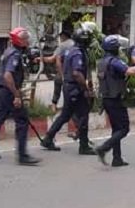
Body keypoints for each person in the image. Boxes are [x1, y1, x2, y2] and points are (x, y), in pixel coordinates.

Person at [0, 27, 40, 165]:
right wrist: (17, 96)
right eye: (25, 38)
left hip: (2, 90)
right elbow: (8, 76)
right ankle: (22, 156)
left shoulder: (9, 51)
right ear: (19, 40)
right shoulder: (14, 55)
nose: (27, 41)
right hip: (8, 91)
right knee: (22, 120)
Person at [40, 25, 96, 155]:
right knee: (83, 115)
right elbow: (77, 73)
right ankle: (83, 146)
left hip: (69, 87)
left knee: (65, 115)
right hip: (75, 88)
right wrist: (85, 88)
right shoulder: (77, 53)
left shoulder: (73, 50)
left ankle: (48, 138)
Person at [96, 35, 135, 167]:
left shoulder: (102, 62)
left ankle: (116, 158)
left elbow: (118, 73)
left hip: (106, 99)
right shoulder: (114, 61)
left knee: (116, 129)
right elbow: (129, 71)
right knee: (124, 129)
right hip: (115, 99)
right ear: (115, 49)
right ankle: (104, 148)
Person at [50, 30, 73, 111]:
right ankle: (69, 107)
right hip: (73, 72)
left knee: (57, 86)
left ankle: (54, 105)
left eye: (60, 37)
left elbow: (53, 59)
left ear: (63, 36)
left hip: (63, 71)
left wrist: (41, 59)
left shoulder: (63, 45)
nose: (60, 39)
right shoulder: (74, 44)